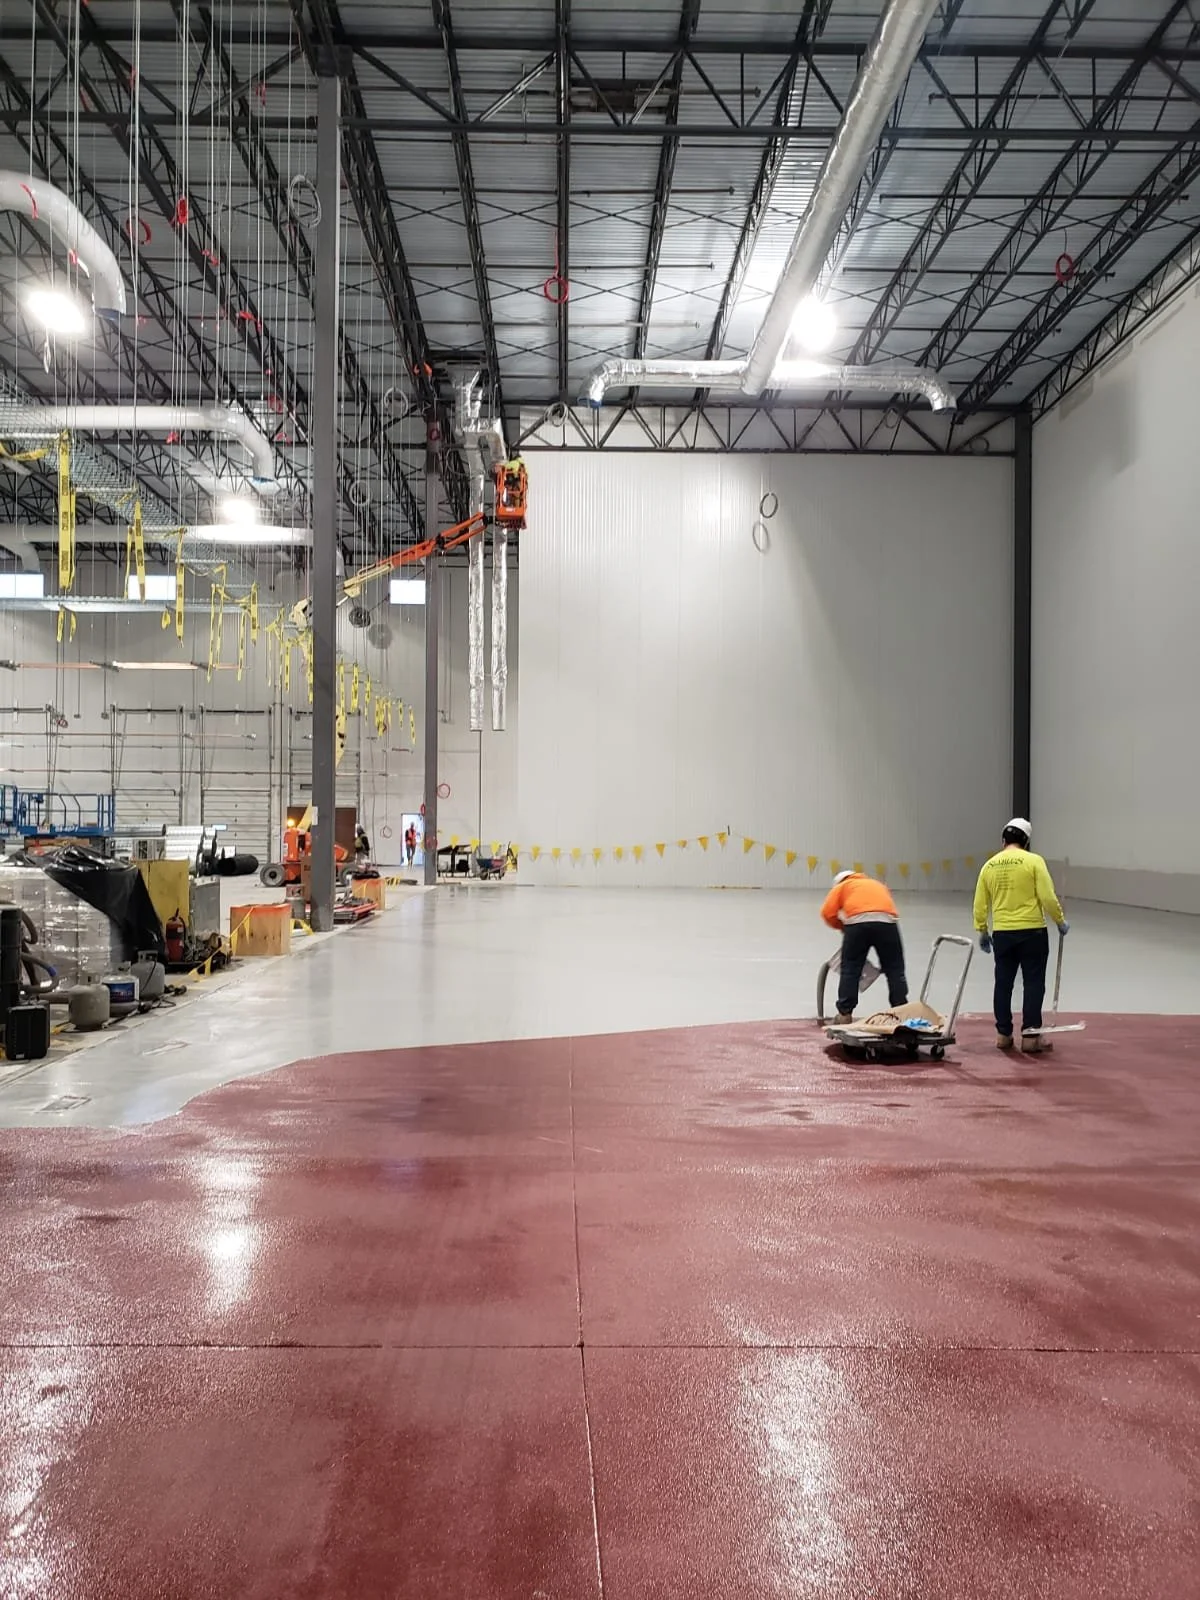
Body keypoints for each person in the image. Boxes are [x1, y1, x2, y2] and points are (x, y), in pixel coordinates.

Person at [973, 817, 1068, 1053]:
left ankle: (1003, 1035)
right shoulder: (1034, 861)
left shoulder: (989, 866)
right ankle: (1030, 1036)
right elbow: (1047, 896)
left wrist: (983, 930)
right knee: (1033, 982)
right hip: (1032, 932)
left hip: (1003, 933)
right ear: (1025, 841)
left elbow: (980, 904)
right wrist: (1059, 920)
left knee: (1003, 984)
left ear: (1004, 839)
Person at [820, 868, 908, 1024]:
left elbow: (828, 913)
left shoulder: (842, 886)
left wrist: (843, 927)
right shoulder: (877, 884)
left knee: (850, 969)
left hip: (857, 924)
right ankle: (901, 1011)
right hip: (887, 923)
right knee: (894, 969)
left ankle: (845, 1014)